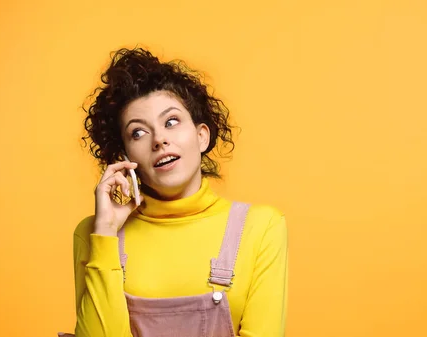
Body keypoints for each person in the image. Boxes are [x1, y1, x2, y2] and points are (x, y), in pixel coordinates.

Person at [71, 47, 288, 337]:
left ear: (201, 136)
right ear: (125, 156)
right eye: (138, 132)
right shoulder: (94, 235)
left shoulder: (260, 228)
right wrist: (106, 234)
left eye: (171, 121)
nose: (160, 139)